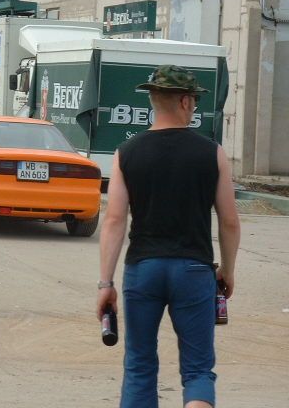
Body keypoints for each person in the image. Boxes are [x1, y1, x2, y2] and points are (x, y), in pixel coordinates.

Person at [96, 65, 240, 408]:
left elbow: (115, 219)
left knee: (140, 366)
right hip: (194, 270)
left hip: (143, 270)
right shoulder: (212, 153)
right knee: (198, 370)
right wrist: (227, 272)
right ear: (187, 102)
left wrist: (106, 284)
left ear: (153, 100)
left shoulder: (126, 153)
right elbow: (230, 221)